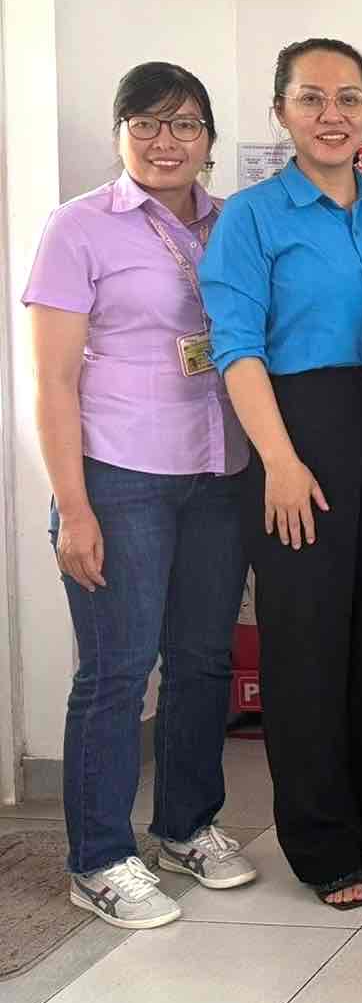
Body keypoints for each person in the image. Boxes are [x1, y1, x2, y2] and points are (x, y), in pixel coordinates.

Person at [199, 38, 362, 910]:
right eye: (311, 98)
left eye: (350, 98)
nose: (332, 114)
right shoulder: (252, 217)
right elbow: (237, 347)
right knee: (307, 645)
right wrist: (282, 461)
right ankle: (321, 841)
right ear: (281, 111)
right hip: (297, 439)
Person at [25, 63, 257, 928]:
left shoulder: (233, 224)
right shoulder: (78, 227)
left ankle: (187, 825)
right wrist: (73, 507)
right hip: (118, 476)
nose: (166, 143)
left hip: (217, 472)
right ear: (120, 132)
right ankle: (99, 857)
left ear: (209, 139)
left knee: (202, 662)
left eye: (186, 125)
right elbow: (51, 382)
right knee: (119, 671)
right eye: (146, 124)